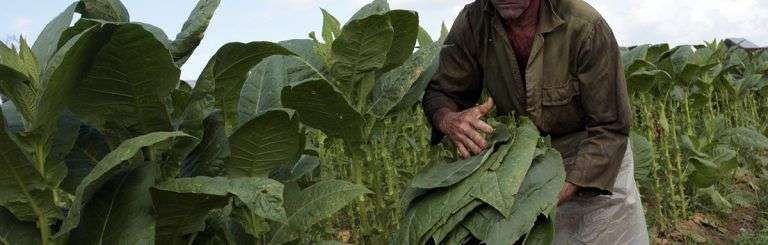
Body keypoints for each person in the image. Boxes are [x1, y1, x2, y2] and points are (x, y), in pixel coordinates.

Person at [421, 0, 649, 243]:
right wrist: (449, 120)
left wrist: (553, 193)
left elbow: (611, 127)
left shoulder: (586, 25)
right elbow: (442, 92)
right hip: (526, 165)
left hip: (596, 162)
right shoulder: (473, 21)